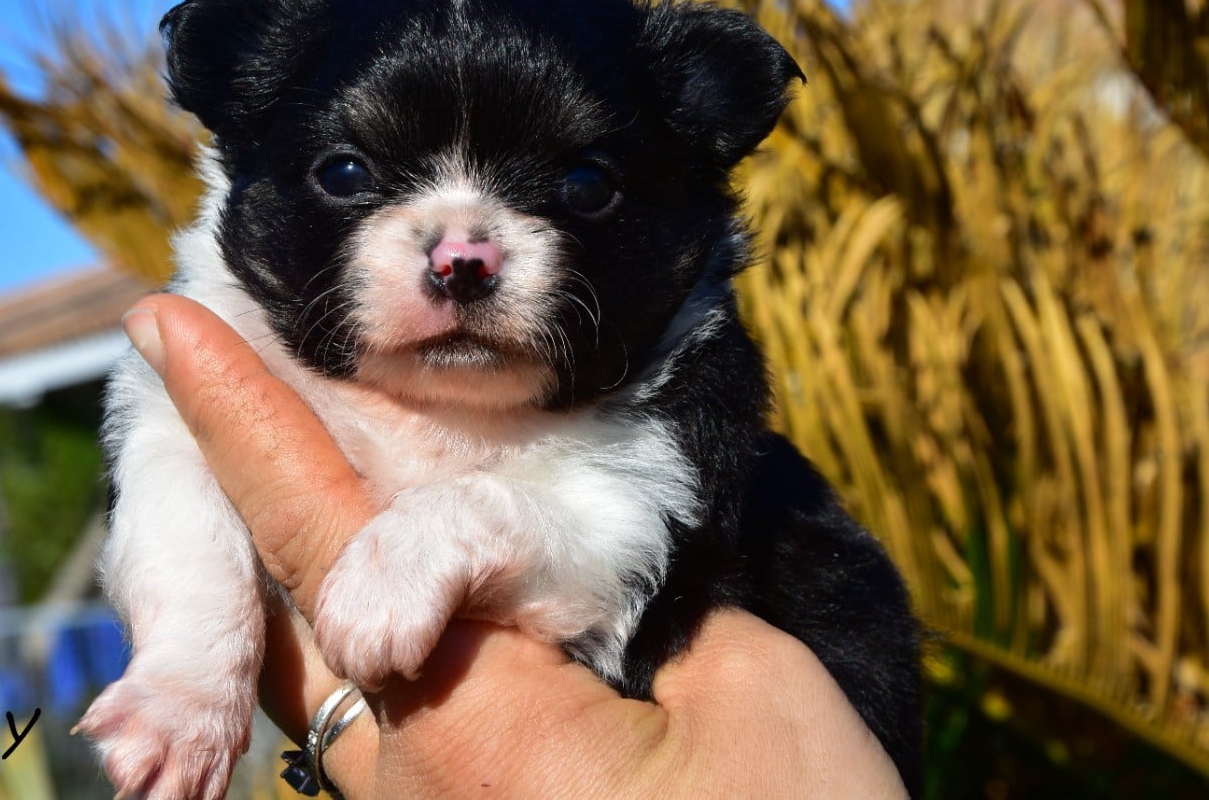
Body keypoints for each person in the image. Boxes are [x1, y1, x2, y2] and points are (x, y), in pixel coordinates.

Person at [120, 294, 909, 798]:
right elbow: (168, 448)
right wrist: (196, 656)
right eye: (349, 173)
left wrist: (478, 523)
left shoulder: (666, 384)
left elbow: (619, 522)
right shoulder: (247, 304)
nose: (460, 257)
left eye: (581, 187)